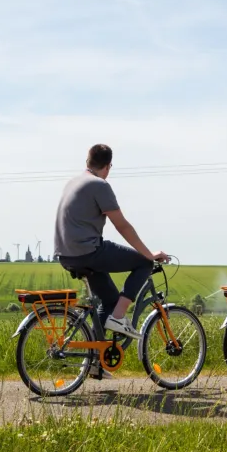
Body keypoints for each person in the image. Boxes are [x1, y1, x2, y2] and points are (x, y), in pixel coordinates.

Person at [54, 144, 169, 342]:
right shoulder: (99, 185)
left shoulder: (73, 182)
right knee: (144, 263)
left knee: (109, 301)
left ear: (88, 161)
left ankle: (94, 356)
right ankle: (117, 318)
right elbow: (122, 226)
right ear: (108, 166)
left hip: (66, 255)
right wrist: (149, 254)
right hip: (88, 252)